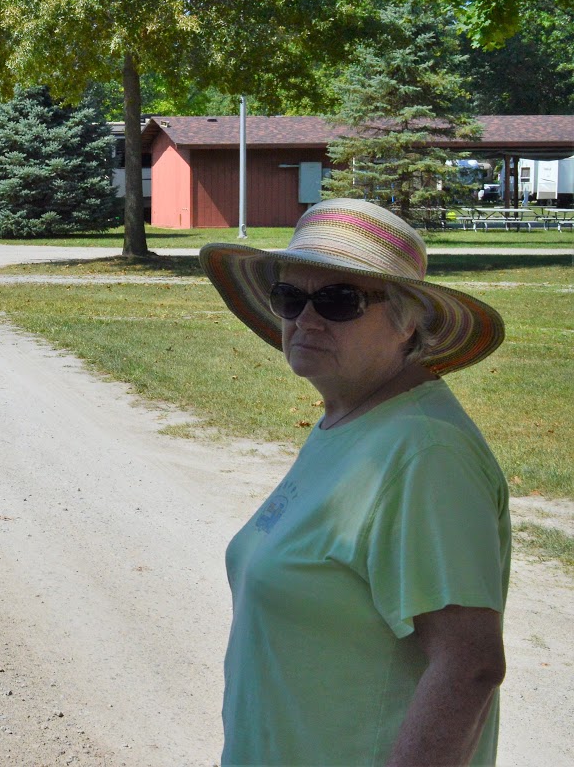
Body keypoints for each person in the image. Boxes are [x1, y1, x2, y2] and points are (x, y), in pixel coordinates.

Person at [199, 199, 510, 767]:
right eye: (290, 297)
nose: (305, 320)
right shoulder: (351, 419)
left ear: (408, 320)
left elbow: (469, 665)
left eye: (340, 301)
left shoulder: (426, 452)